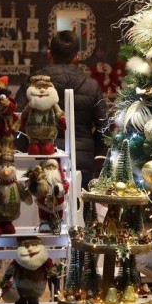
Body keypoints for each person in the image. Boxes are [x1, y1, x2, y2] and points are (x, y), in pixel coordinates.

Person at [15, 30, 107, 189]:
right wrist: (91, 148)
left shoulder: (31, 83)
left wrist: (27, 149)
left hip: (40, 156)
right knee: (79, 209)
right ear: (76, 57)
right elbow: (104, 127)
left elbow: (17, 121)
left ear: (49, 54)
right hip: (80, 160)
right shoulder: (91, 86)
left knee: (41, 208)